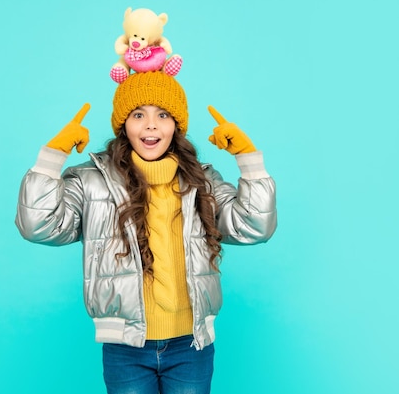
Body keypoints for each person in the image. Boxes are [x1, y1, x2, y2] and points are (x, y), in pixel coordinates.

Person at [15, 70, 277, 394]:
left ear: (176, 127)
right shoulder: (91, 182)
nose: (151, 125)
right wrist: (51, 159)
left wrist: (248, 160)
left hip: (191, 344)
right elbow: (37, 225)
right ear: (123, 124)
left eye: (163, 115)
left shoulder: (202, 182)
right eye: (138, 114)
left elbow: (256, 225)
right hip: (126, 347)